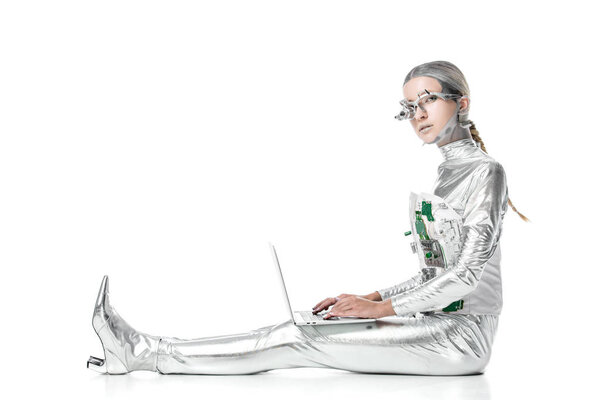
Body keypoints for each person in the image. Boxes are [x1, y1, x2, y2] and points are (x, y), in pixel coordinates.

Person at [87, 60, 529, 376]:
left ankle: (144, 353)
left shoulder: (486, 172)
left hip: (461, 338)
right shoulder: (449, 173)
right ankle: (149, 350)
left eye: (428, 100)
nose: (418, 115)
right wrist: (368, 297)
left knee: (299, 341)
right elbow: (435, 275)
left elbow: (466, 278)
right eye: (409, 106)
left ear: (462, 102)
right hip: (433, 322)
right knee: (293, 327)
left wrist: (380, 308)